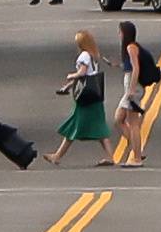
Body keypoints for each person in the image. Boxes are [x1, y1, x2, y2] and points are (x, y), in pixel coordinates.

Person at [43, 30, 115, 167]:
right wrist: (69, 86)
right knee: (99, 129)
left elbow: (82, 73)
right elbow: (87, 76)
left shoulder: (84, 55)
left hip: (85, 99)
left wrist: (71, 76)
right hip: (95, 97)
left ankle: (57, 156)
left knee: (74, 126)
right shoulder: (94, 56)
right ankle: (110, 157)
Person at [116, 20, 147, 168]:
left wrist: (132, 90)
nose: (119, 34)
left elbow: (136, 69)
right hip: (129, 82)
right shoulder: (130, 48)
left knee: (133, 122)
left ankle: (137, 158)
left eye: (120, 32)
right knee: (118, 119)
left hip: (132, 85)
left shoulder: (131, 47)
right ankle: (136, 150)